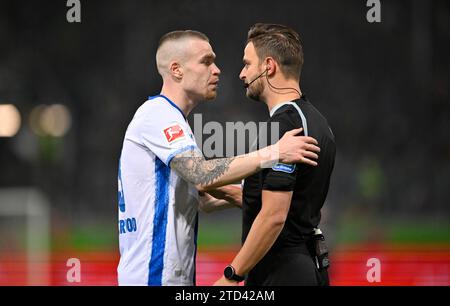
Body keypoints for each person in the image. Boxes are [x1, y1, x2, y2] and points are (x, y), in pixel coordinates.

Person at [117, 30, 321, 286]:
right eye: (206, 61)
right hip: (151, 277)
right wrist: (274, 153)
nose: (217, 70)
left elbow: (203, 198)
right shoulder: (158, 114)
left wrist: (263, 195)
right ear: (176, 70)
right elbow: (201, 174)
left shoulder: (174, 121)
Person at [210, 23, 336, 286]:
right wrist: (225, 193)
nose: (242, 74)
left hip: (282, 270)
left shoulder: (282, 126)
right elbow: (289, 204)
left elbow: (274, 216)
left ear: (269, 66)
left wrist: (232, 275)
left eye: (247, 64)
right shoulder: (318, 121)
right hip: (306, 266)